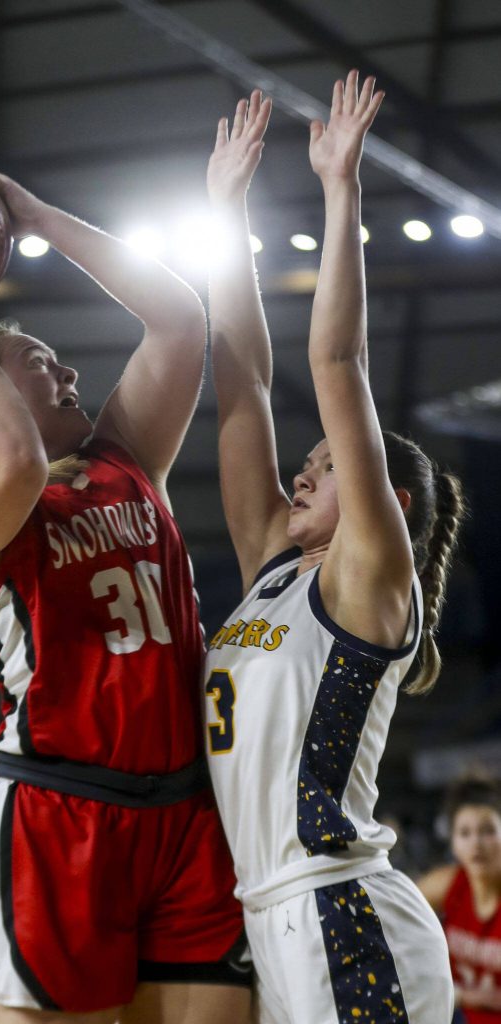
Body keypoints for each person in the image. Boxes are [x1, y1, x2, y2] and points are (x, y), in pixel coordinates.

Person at [0, 156, 251, 1024]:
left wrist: (38, 217)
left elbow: (181, 319)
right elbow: (15, 461)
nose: (69, 375)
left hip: (187, 813)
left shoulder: (126, 459)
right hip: (62, 815)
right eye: (42, 363)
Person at [204, 73, 465, 1024]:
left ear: (383, 504)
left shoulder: (369, 581)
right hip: (265, 920)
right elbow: (239, 384)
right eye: (304, 465)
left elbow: (333, 364)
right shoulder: (274, 566)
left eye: (321, 466)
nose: (301, 476)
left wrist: (339, 186)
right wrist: (225, 212)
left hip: (344, 909)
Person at [419, 773, 501, 1021]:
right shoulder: (448, 884)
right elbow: (389, 908)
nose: (476, 843)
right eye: (465, 833)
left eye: (488, 830)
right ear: (453, 843)